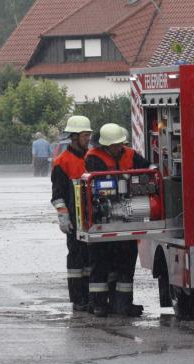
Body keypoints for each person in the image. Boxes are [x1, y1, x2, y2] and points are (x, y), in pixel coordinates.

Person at [85, 123, 151, 317]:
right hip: (103, 215)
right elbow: (99, 180)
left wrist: (153, 169)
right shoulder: (93, 158)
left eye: (119, 144)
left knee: (126, 263)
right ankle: (98, 304)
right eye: (113, 145)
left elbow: (147, 167)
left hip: (128, 214)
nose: (117, 148)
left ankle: (123, 305)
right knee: (101, 263)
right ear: (104, 145)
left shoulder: (130, 154)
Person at [51, 116, 93, 311]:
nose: (88, 138)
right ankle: (78, 300)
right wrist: (64, 218)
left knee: (92, 260)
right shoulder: (62, 162)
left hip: (93, 217)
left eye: (89, 134)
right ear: (74, 137)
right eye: (85, 135)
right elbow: (58, 196)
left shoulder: (92, 157)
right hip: (75, 220)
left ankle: (92, 298)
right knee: (76, 261)